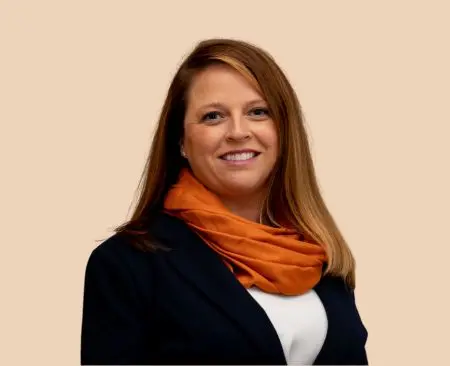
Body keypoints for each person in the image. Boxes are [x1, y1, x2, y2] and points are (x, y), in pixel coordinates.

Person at [80, 38, 369, 365]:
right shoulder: (126, 265)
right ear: (182, 141)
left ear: (284, 130)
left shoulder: (316, 252)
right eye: (213, 116)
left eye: (258, 112)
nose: (238, 131)